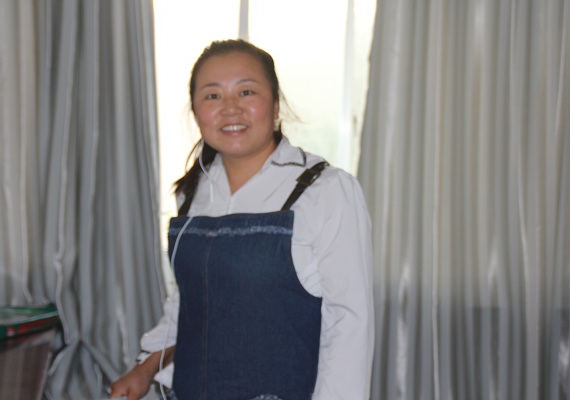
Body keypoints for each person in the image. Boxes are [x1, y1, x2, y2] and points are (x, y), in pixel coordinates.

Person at [110, 39, 374, 400]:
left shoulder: (325, 191)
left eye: (246, 91)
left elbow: (348, 326)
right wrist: (145, 368)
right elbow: (187, 305)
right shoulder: (192, 193)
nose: (230, 108)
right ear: (196, 112)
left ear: (276, 105)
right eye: (213, 96)